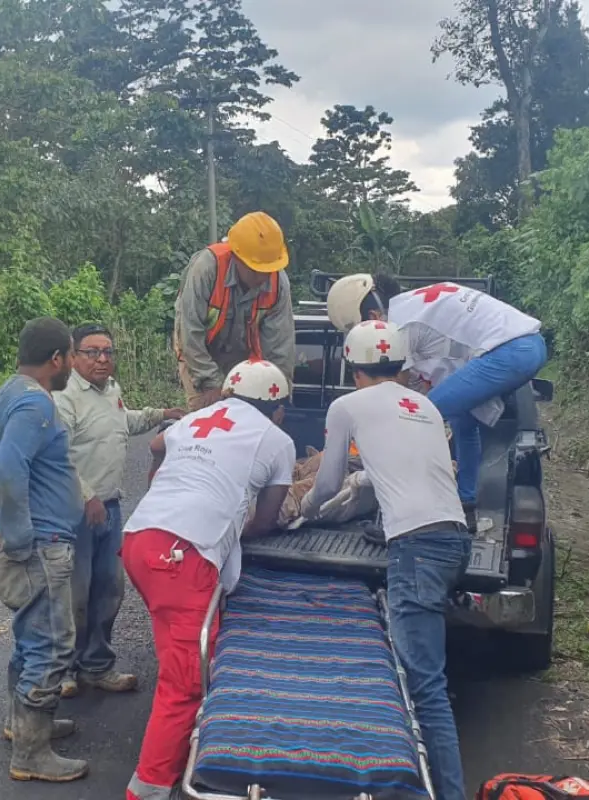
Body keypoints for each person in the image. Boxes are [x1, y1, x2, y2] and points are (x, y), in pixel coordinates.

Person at [299, 320, 470, 800]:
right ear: (398, 364)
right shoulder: (427, 406)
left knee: (427, 689)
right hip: (454, 539)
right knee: (424, 670)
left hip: (416, 548)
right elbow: (401, 470)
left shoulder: (347, 405)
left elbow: (329, 483)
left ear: (353, 367)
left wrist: (302, 515)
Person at [121, 358, 296, 800]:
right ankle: (150, 788)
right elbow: (266, 521)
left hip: (141, 539)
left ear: (229, 396)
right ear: (278, 409)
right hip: (183, 553)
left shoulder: (198, 417)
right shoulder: (277, 440)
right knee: (186, 682)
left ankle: (181, 750)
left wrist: (158, 481)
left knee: (177, 654)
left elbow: (158, 442)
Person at [325, 274, 547, 532]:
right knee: (463, 422)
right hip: (527, 345)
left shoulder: (397, 328)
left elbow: (392, 390)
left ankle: (390, 517)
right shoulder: (410, 305)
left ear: (374, 316)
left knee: (414, 420)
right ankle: (467, 502)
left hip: (510, 351)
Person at [0, 316, 87, 784]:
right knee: (52, 643)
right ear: (57, 358)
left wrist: (12, 512)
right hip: (39, 543)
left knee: (28, 636)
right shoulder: (35, 405)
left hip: (31, 537)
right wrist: (20, 531)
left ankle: (20, 724)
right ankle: (31, 751)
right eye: (72, 356)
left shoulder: (8, 392)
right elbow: (4, 467)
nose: (73, 367)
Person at [52, 323, 185, 699]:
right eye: (92, 352)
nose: (102, 359)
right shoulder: (64, 397)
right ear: (74, 356)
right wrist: (87, 497)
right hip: (74, 512)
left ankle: (96, 665)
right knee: (71, 595)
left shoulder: (111, 391)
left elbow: (120, 423)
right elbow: (57, 457)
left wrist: (161, 414)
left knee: (109, 589)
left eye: (108, 352)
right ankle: (61, 671)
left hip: (109, 507)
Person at [174, 211, 297, 411]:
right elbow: (189, 332)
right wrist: (210, 384)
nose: (263, 276)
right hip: (200, 353)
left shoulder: (278, 283)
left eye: (268, 270)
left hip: (244, 357)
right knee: (206, 417)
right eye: (256, 269)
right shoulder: (206, 269)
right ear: (236, 257)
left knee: (252, 415)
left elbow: (280, 349)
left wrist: (281, 397)